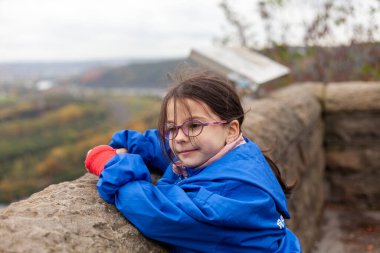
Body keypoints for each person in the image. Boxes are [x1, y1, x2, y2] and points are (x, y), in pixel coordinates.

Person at [85, 70, 302, 252]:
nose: (179, 137)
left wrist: (109, 165)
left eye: (195, 126)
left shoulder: (228, 194)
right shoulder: (228, 153)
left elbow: (156, 213)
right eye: (171, 128)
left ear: (231, 130)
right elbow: (163, 148)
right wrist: (130, 143)